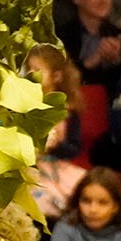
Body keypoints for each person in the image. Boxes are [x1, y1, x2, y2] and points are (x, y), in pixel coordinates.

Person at [25, 44, 84, 220]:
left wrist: (57, 143)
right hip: (31, 168)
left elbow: (74, 148)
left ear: (57, 76)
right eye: (29, 69)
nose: (31, 73)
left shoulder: (67, 110)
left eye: (37, 70)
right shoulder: (24, 105)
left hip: (58, 167)